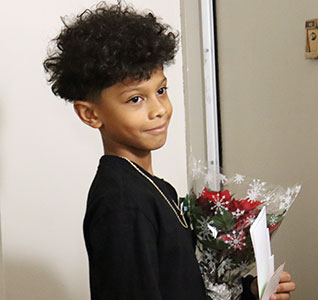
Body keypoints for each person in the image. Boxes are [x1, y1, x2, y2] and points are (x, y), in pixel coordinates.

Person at [43, 2, 296, 299]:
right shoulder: (123, 202)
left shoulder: (153, 189)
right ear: (90, 114)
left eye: (161, 91)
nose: (158, 110)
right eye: (135, 99)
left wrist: (249, 293)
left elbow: (180, 286)